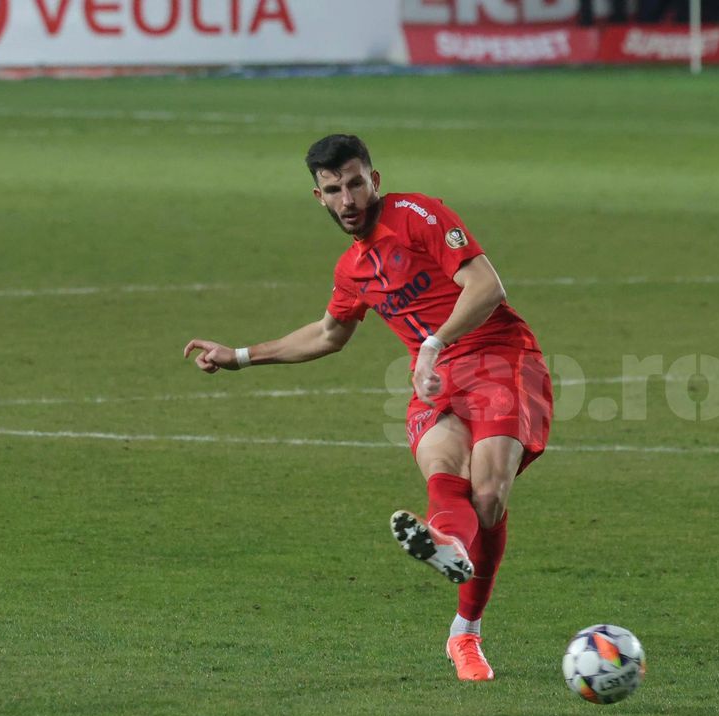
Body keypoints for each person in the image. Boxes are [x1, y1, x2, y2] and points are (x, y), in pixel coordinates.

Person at [183, 134, 553, 682]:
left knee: (490, 494)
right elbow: (330, 333)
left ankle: (463, 615)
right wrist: (239, 356)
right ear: (320, 197)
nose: (349, 198)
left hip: (500, 359)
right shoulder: (351, 268)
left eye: (356, 183)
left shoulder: (418, 214)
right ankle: (454, 584)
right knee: (441, 464)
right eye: (334, 189)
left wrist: (431, 343)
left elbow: (486, 287)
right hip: (438, 380)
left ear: (374, 180)